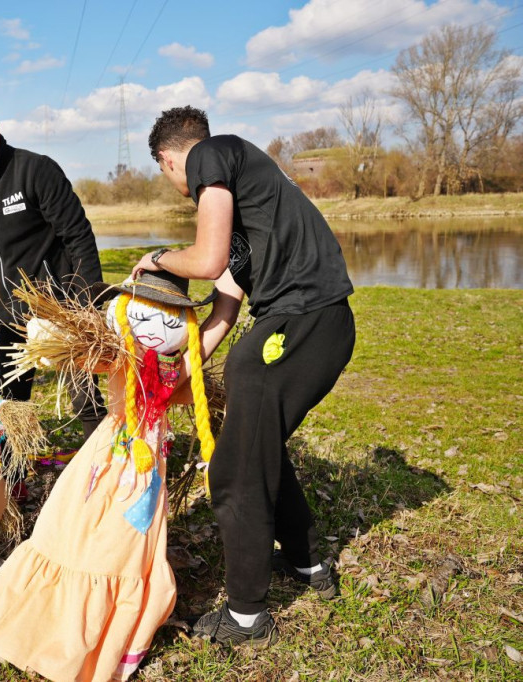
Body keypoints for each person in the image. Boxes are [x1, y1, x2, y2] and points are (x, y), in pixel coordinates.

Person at [132, 105, 356, 646]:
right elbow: (223, 313)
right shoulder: (245, 200)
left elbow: (205, 262)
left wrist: (158, 259)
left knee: (235, 465)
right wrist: (173, 383)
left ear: (168, 159)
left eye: (166, 173)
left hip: (301, 320)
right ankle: (306, 566)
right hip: (313, 324)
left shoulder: (213, 152)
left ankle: (248, 617)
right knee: (260, 447)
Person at [0, 271, 219, 680]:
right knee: (78, 533)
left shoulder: (172, 373)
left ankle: (106, 635)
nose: (157, 331)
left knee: (124, 547)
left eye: (172, 324)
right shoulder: (120, 357)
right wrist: (49, 338)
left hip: (146, 471)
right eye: (147, 318)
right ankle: (48, 631)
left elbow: (202, 348)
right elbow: (71, 353)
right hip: (105, 461)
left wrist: (229, 298)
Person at [0, 103, 107, 447]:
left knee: (84, 396)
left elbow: (77, 236)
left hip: (61, 311)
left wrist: (88, 303)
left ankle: (103, 464)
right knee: (12, 404)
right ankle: (14, 482)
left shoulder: (35, 170)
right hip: (10, 317)